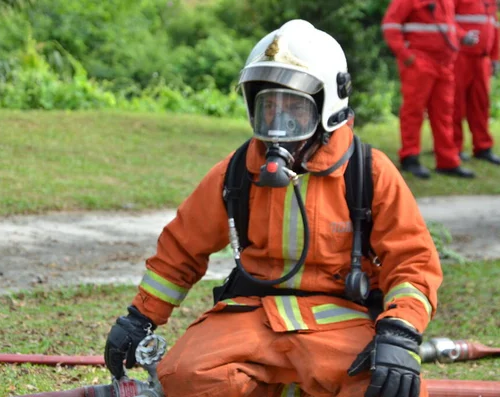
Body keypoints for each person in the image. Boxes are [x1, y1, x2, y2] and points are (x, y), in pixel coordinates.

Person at [104, 20, 442, 397]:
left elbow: (413, 262)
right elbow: (181, 249)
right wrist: (140, 317)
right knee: (181, 378)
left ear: (328, 105)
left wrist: (399, 332)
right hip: (251, 317)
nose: (279, 121)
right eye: (269, 107)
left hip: (341, 323)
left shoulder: (367, 171)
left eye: (294, 108)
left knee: (389, 388)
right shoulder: (236, 172)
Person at [382, 0, 476, 179]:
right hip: (420, 63)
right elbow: (390, 25)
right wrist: (406, 56)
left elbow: (447, 25)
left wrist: (463, 36)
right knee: (413, 112)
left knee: (444, 115)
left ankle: (448, 162)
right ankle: (410, 158)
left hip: (444, 65)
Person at [453, 0, 500, 165]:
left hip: (482, 60)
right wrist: (462, 36)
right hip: (460, 56)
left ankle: (483, 147)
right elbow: (446, 20)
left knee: (481, 105)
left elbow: (494, 26)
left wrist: (495, 56)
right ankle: (453, 148)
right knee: (455, 104)